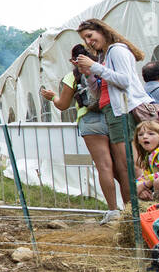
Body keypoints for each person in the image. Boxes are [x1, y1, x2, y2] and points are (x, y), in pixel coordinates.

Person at [75, 19, 159, 221]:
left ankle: (147, 211)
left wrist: (95, 66)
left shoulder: (117, 51)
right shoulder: (105, 56)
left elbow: (124, 81)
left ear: (102, 31)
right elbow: (98, 93)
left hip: (124, 111)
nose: (89, 42)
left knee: (132, 165)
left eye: (90, 36)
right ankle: (135, 213)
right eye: (85, 39)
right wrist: (89, 74)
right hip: (112, 111)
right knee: (124, 165)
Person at [41, 43, 122, 221]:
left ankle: (113, 210)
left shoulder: (72, 76)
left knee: (104, 166)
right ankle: (132, 209)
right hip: (113, 115)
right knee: (122, 166)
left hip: (90, 120)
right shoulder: (105, 69)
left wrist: (52, 96)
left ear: (73, 60)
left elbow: (62, 105)